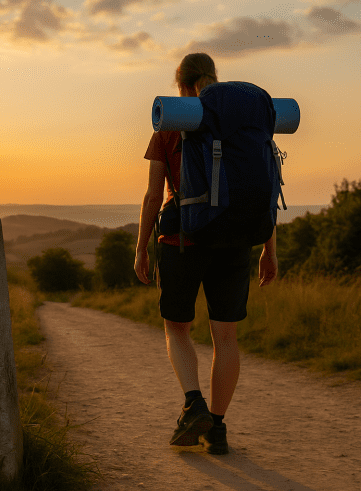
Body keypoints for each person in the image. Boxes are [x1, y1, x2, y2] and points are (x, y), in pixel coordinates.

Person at [134, 52, 278, 454]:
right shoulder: (245, 121)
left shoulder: (170, 124)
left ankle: (193, 402)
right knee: (225, 336)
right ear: (215, 76)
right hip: (237, 239)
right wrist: (269, 249)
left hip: (183, 240)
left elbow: (151, 196)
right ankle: (217, 427)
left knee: (176, 326)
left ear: (180, 85)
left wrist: (141, 248)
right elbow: (263, 187)